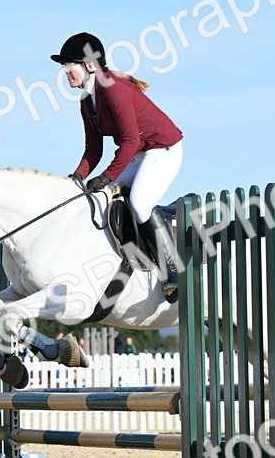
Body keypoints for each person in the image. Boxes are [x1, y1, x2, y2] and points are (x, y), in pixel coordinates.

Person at [51, 32, 184, 301]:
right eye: (64, 66)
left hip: (162, 149)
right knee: (102, 198)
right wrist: (78, 178)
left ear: (89, 65)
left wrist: (107, 176)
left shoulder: (113, 88)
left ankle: (172, 270)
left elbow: (130, 139)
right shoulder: (87, 101)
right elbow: (93, 148)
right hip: (139, 153)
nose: (65, 72)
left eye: (69, 65)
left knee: (139, 202)